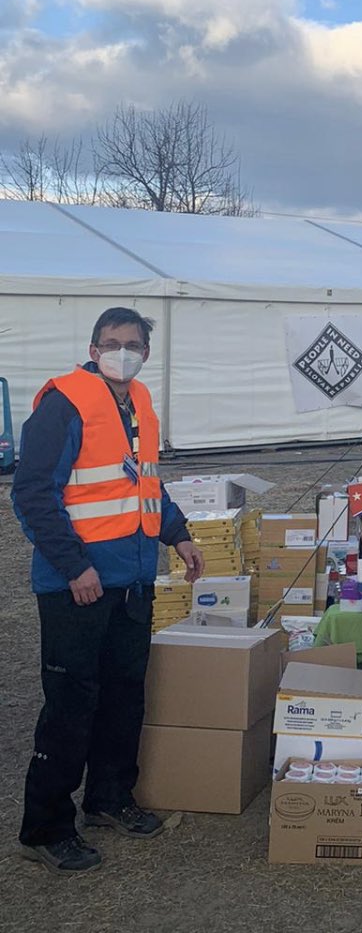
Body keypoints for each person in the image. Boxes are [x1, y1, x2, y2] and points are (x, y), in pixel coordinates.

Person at [12, 307, 205, 875]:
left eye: (133, 344)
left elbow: (144, 481)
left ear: (146, 352)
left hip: (132, 581)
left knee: (124, 696)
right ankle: (45, 828)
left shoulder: (139, 403)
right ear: (93, 348)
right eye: (112, 342)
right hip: (79, 585)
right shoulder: (64, 404)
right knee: (73, 705)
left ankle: (109, 799)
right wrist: (74, 566)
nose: (123, 352)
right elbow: (31, 495)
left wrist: (179, 534)